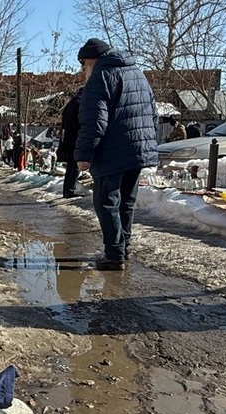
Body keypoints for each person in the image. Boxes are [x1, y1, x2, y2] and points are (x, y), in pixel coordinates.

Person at [73, 38, 158, 271]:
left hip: (112, 150)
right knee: (126, 202)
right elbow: (153, 112)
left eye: (83, 63)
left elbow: (94, 122)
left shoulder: (100, 77)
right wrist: (148, 142)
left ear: (93, 59)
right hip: (137, 149)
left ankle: (113, 254)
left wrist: (84, 154)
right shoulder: (138, 74)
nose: (83, 69)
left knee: (105, 202)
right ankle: (123, 248)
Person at [57, 81, 84, 197]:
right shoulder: (80, 103)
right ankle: (69, 190)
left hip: (68, 138)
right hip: (75, 138)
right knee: (74, 165)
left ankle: (68, 189)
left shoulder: (71, 103)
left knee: (71, 166)